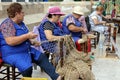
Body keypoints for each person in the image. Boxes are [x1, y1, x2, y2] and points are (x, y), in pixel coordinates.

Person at [0, 3, 62, 80]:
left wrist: (32, 41)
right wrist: (27, 36)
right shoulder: (7, 24)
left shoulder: (21, 24)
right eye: (22, 12)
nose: (24, 14)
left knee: (41, 57)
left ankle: (56, 77)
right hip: (12, 53)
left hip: (26, 50)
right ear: (17, 14)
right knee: (27, 68)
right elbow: (10, 41)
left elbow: (23, 37)